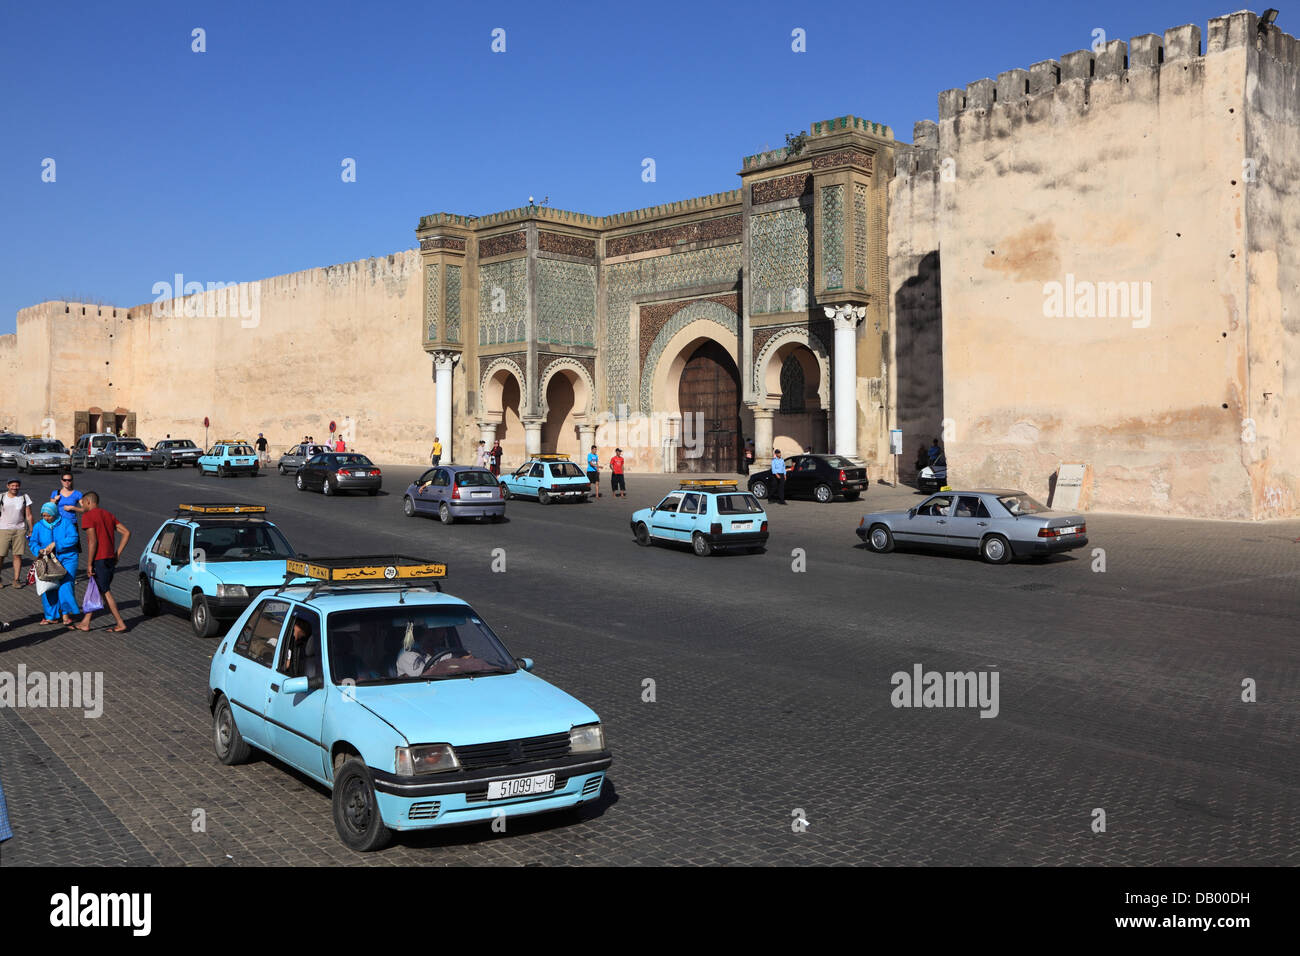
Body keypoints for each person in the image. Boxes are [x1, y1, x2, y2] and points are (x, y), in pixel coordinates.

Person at [71, 491, 130, 633]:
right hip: (110, 558)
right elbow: (126, 533)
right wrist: (117, 554)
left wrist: (89, 563)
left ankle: (120, 623)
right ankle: (86, 622)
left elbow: (93, 541)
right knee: (96, 589)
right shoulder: (108, 514)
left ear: (89, 502)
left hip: (100, 559)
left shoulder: (88, 516)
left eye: (83, 503)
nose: (82, 505)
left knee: (105, 591)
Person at [28, 501, 80, 625]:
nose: (46, 518)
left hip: (68, 558)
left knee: (65, 586)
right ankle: (51, 616)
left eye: (49, 515)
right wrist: (38, 550)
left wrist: (56, 544)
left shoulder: (66, 522)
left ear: (55, 513)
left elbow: (74, 538)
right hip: (48, 560)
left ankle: (66, 615)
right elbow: (33, 542)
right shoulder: (39, 526)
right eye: (44, 515)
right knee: (49, 586)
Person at [0, 478, 33, 589]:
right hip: (3, 529)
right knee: (1, 555)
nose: (15, 487)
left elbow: (28, 515)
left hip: (19, 529)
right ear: (8, 486)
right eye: (12, 485)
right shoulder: (1, 497)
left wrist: (31, 529)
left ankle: (16, 579)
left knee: (17, 555)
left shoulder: (24, 497)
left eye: (17, 485)